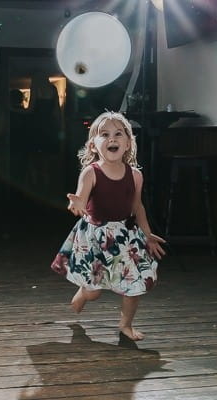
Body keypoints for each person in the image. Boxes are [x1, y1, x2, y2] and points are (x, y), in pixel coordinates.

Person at [50, 111, 166, 341]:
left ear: (128, 143)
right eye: (105, 134)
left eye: (118, 134)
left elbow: (137, 206)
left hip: (124, 236)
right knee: (94, 292)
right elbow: (81, 200)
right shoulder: (91, 172)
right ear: (94, 144)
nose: (112, 139)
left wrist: (147, 234)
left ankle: (126, 325)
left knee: (135, 284)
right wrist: (77, 204)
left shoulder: (135, 175)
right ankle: (84, 292)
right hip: (94, 237)